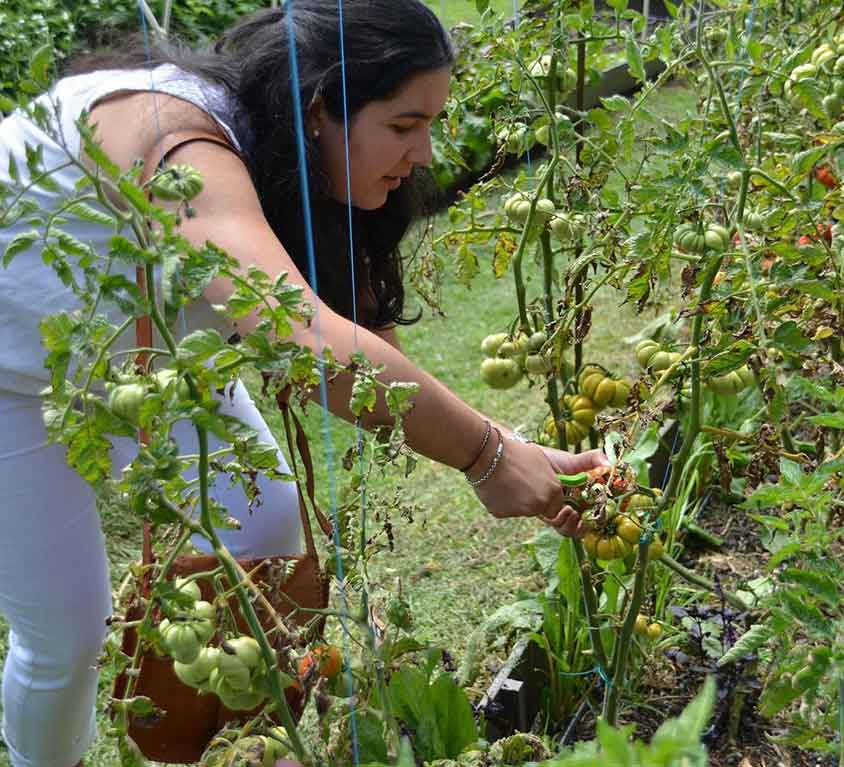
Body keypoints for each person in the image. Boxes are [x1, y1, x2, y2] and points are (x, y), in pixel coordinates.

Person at [0, 1, 605, 765]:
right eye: (404, 124)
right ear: (321, 108)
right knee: (66, 635)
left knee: (263, 522)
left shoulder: (291, 166)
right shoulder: (185, 145)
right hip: (10, 380)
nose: (423, 152)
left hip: (149, 362)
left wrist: (509, 447)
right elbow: (311, 344)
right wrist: (485, 458)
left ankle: (238, 746)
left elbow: (362, 348)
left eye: (432, 124)